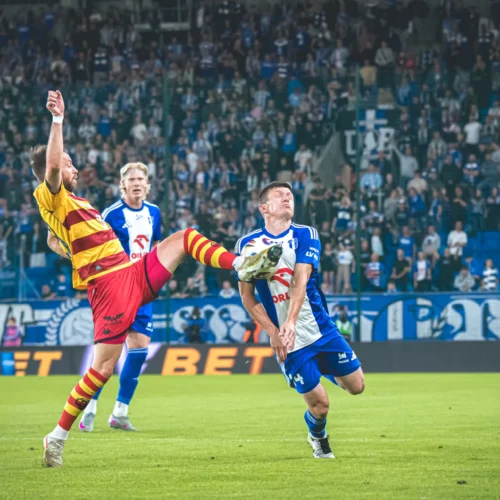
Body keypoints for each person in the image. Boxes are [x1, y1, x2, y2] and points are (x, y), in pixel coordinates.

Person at [36, 90, 282, 468]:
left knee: (184, 238)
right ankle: (57, 436)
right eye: (68, 163)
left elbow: (56, 239)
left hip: (131, 273)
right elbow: (52, 173)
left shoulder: (79, 204)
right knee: (102, 369)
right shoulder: (51, 194)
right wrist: (58, 120)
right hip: (109, 288)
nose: (73, 168)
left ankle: (241, 265)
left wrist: (70, 249)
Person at [236, 181, 364, 460]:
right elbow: (247, 297)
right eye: (279, 195)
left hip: (319, 328)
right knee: (321, 406)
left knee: (357, 386)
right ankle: (318, 437)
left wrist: (291, 322)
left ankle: (317, 369)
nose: (287, 198)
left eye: (290, 195)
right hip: (287, 341)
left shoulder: (306, 234)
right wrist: (273, 332)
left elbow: (300, 279)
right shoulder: (247, 244)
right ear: (263, 208)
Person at [79, 162, 162, 433]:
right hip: (117, 288)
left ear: (147, 184)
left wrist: (155, 277)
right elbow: (98, 249)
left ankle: (120, 412)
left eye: (141, 179)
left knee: (139, 351)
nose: (137, 183)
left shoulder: (154, 212)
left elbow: (156, 246)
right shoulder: (111, 214)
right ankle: (89, 407)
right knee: (108, 357)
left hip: (143, 288)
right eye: (132, 179)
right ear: (122, 185)